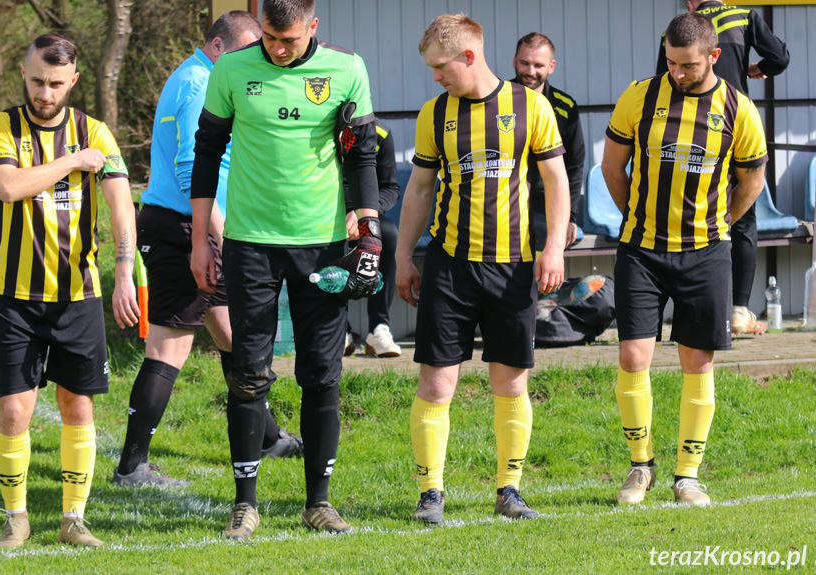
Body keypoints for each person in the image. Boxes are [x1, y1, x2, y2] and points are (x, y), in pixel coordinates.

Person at [190, 0, 381, 540]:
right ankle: (244, 504)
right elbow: (207, 154)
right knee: (248, 372)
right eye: (270, 38)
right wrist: (203, 237)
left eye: (290, 40)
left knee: (322, 374)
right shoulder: (231, 69)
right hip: (249, 244)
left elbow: (362, 156)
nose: (277, 49)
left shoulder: (348, 69)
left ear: (313, 27)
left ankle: (317, 503)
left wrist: (369, 232)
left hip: (321, 246)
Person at [112, 11, 302, 491]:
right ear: (219, 47)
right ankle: (132, 467)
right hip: (184, 229)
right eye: (247, 50)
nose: (255, 59)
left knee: (233, 335)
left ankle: (268, 437)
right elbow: (191, 171)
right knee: (168, 346)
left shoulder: (199, 76)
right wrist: (219, 235)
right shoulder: (199, 84)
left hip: (190, 225)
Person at [396, 13, 569, 525]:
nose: (435, 76)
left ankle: (509, 491)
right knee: (435, 386)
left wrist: (554, 247)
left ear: (469, 56)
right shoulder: (435, 113)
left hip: (513, 268)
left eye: (440, 66)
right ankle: (431, 494)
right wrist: (405, 255)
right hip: (449, 268)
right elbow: (420, 189)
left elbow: (556, 182)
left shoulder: (531, 106)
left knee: (511, 385)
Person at [0, 33, 139, 548]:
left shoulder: (95, 131)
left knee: (78, 406)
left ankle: (73, 520)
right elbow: (8, 188)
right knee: (14, 410)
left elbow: (120, 207)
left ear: (72, 80)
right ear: (23, 75)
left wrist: (122, 275)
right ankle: (17, 517)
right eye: (35, 81)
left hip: (79, 296)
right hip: (16, 295)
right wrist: (73, 163)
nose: (44, 93)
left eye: (54, 83)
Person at [604, 11, 767, 507]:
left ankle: (688, 476)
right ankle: (640, 467)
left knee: (698, 363)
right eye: (672, 62)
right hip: (642, 249)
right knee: (634, 357)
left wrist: (717, 224)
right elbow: (613, 167)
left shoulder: (738, 109)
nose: (677, 72)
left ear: (713, 56)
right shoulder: (639, 95)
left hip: (706, 253)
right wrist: (638, 215)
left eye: (688, 65)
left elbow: (752, 182)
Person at [657, 0, 789, 336]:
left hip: (688, 135)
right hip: (734, 125)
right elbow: (780, 58)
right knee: (743, 222)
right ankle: (737, 312)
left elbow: (665, 80)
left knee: (683, 217)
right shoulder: (743, 15)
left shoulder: (678, 28)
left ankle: (687, 308)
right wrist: (757, 68)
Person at [512, 32, 585, 248]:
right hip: (504, 208)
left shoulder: (565, 107)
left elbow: (574, 166)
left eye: (538, 65)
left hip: (547, 207)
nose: (530, 72)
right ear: (514, 61)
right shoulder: (496, 102)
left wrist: (570, 218)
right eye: (524, 63)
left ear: (551, 67)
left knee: (542, 277)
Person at [343, 117, 402, 357]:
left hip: (366, 214)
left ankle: (379, 329)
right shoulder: (315, 130)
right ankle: (340, 331)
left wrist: (365, 215)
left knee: (387, 233)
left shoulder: (380, 132)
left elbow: (390, 187)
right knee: (327, 239)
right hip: (323, 215)